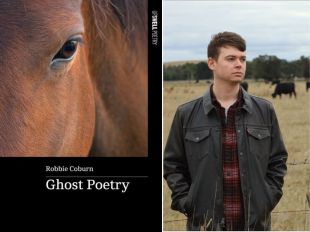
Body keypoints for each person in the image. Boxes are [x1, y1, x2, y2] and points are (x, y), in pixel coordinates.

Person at [163, 32, 288, 231]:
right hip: (206, 225)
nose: (239, 64)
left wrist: (267, 199)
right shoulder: (186, 114)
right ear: (211, 63)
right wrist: (188, 203)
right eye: (231, 59)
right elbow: (173, 164)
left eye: (243, 59)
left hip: (254, 225)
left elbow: (278, 160)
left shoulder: (265, 110)